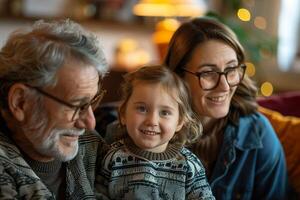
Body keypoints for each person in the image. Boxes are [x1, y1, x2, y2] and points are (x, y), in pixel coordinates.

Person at [164, 17, 289, 199]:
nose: (224, 87)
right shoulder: (150, 129)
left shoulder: (258, 134)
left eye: (231, 70)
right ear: (178, 77)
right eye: (208, 73)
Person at [0, 19, 109, 199]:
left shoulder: (92, 146)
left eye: (91, 102)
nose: (90, 123)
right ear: (21, 102)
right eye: (76, 105)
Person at [95, 65, 215, 199]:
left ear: (180, 122)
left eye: (164, 112)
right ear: (123, 114)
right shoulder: (112, 158)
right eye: (142, 109)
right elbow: (98, 195)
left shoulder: (189, 165)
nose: (152, 121)